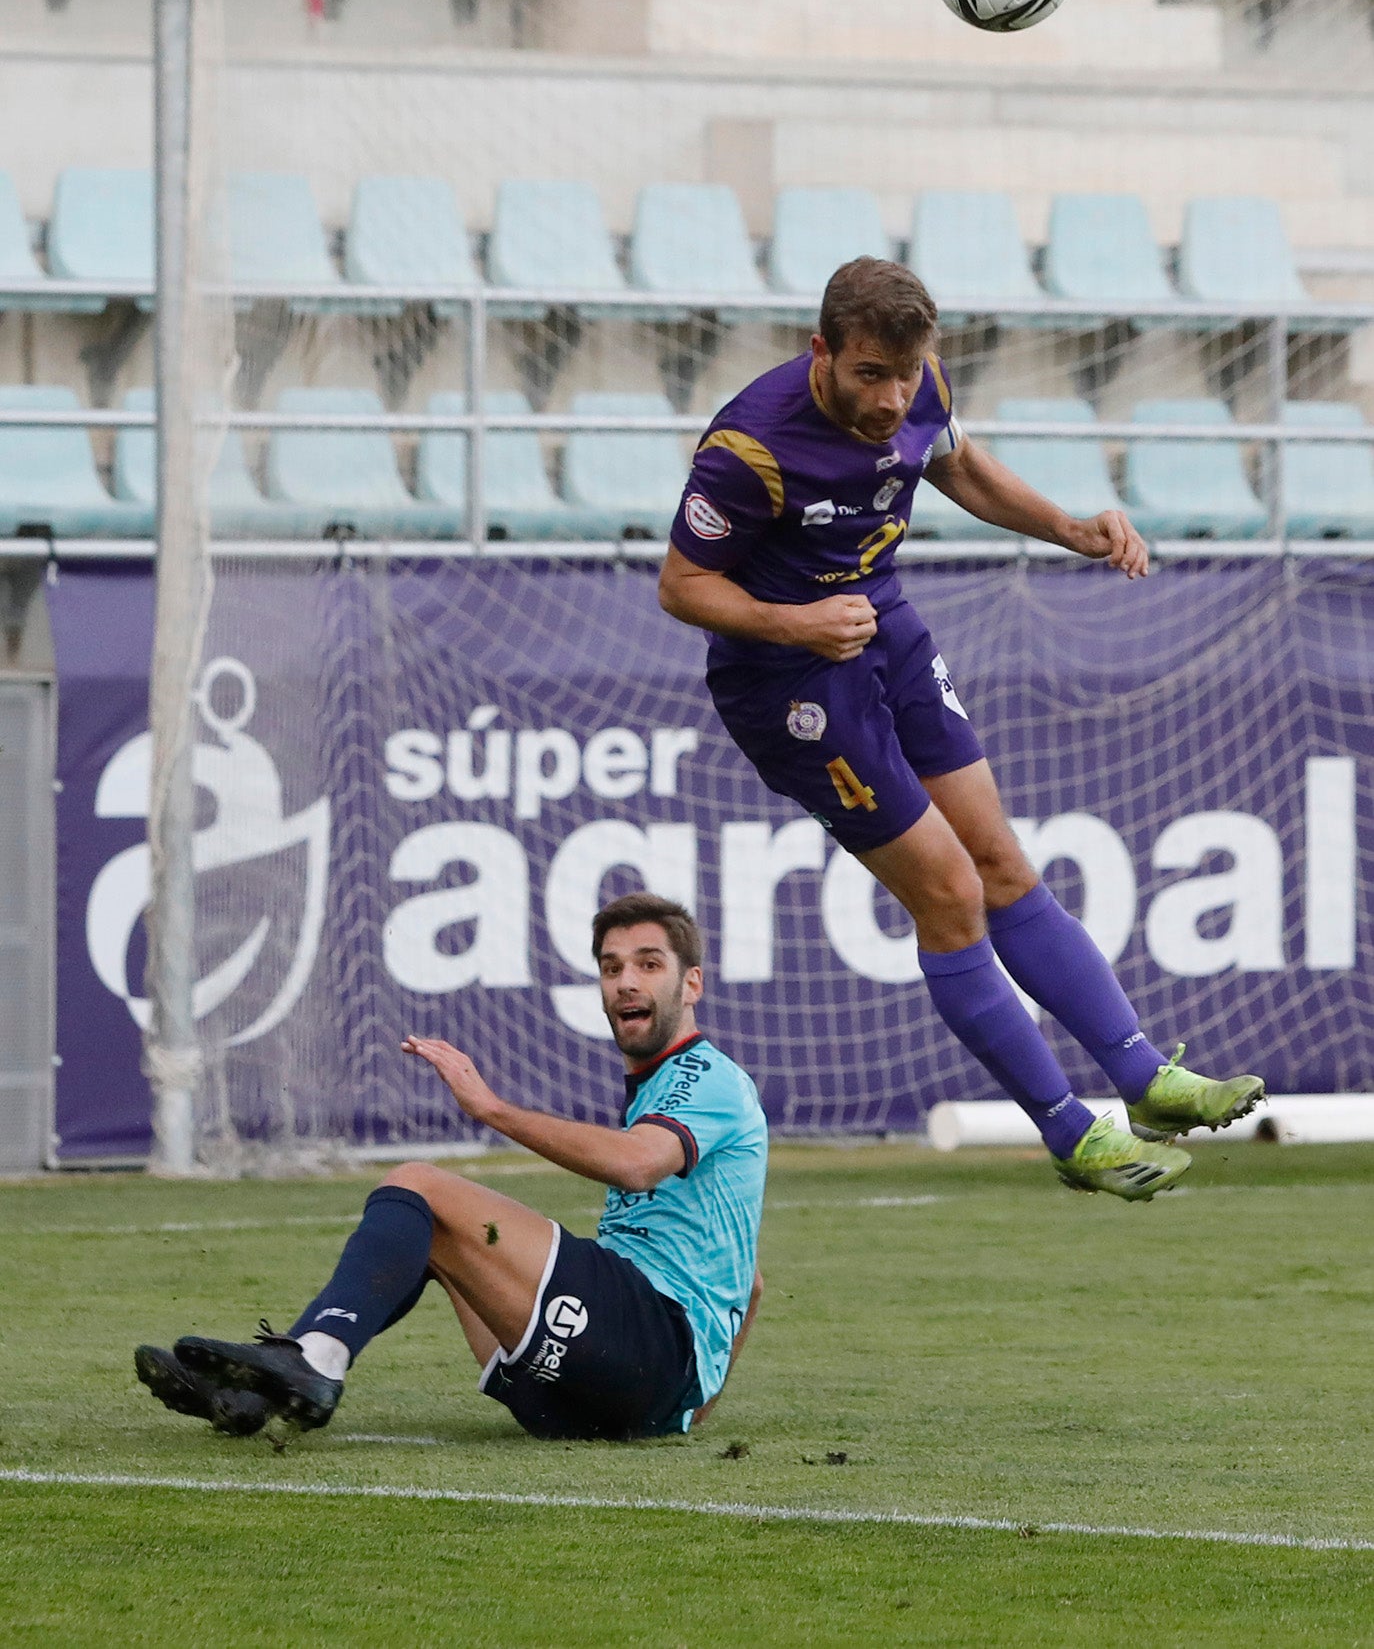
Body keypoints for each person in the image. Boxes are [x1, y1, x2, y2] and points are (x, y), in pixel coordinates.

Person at [658, 255, 1264, 1202]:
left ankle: (1145, 1081)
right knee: (947, 893)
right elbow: (681, 585)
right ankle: (1070, 1133)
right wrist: (796, 622)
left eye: (907, 374)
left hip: (883, 627)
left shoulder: (921, 385)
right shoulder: (749, 449)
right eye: (871, 375)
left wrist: (1072, 529)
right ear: (822, 352)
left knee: (1002, 863)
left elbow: (957, 464)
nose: (894, 396)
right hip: (788, 681)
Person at [134, 894, 767, 1442]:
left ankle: (314, 1362)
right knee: (427, 1229)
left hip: (645, 1348)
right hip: (596, 1396)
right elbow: (752, 1285)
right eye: (611, 967)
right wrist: (689, 1410)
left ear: (692, 985)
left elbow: (636, 1166)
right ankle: (264, 1391)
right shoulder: (657, 1089)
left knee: (417, 1184)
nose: (626, 981)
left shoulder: (705, 1076)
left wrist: (488, 1108)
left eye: (649, 965)